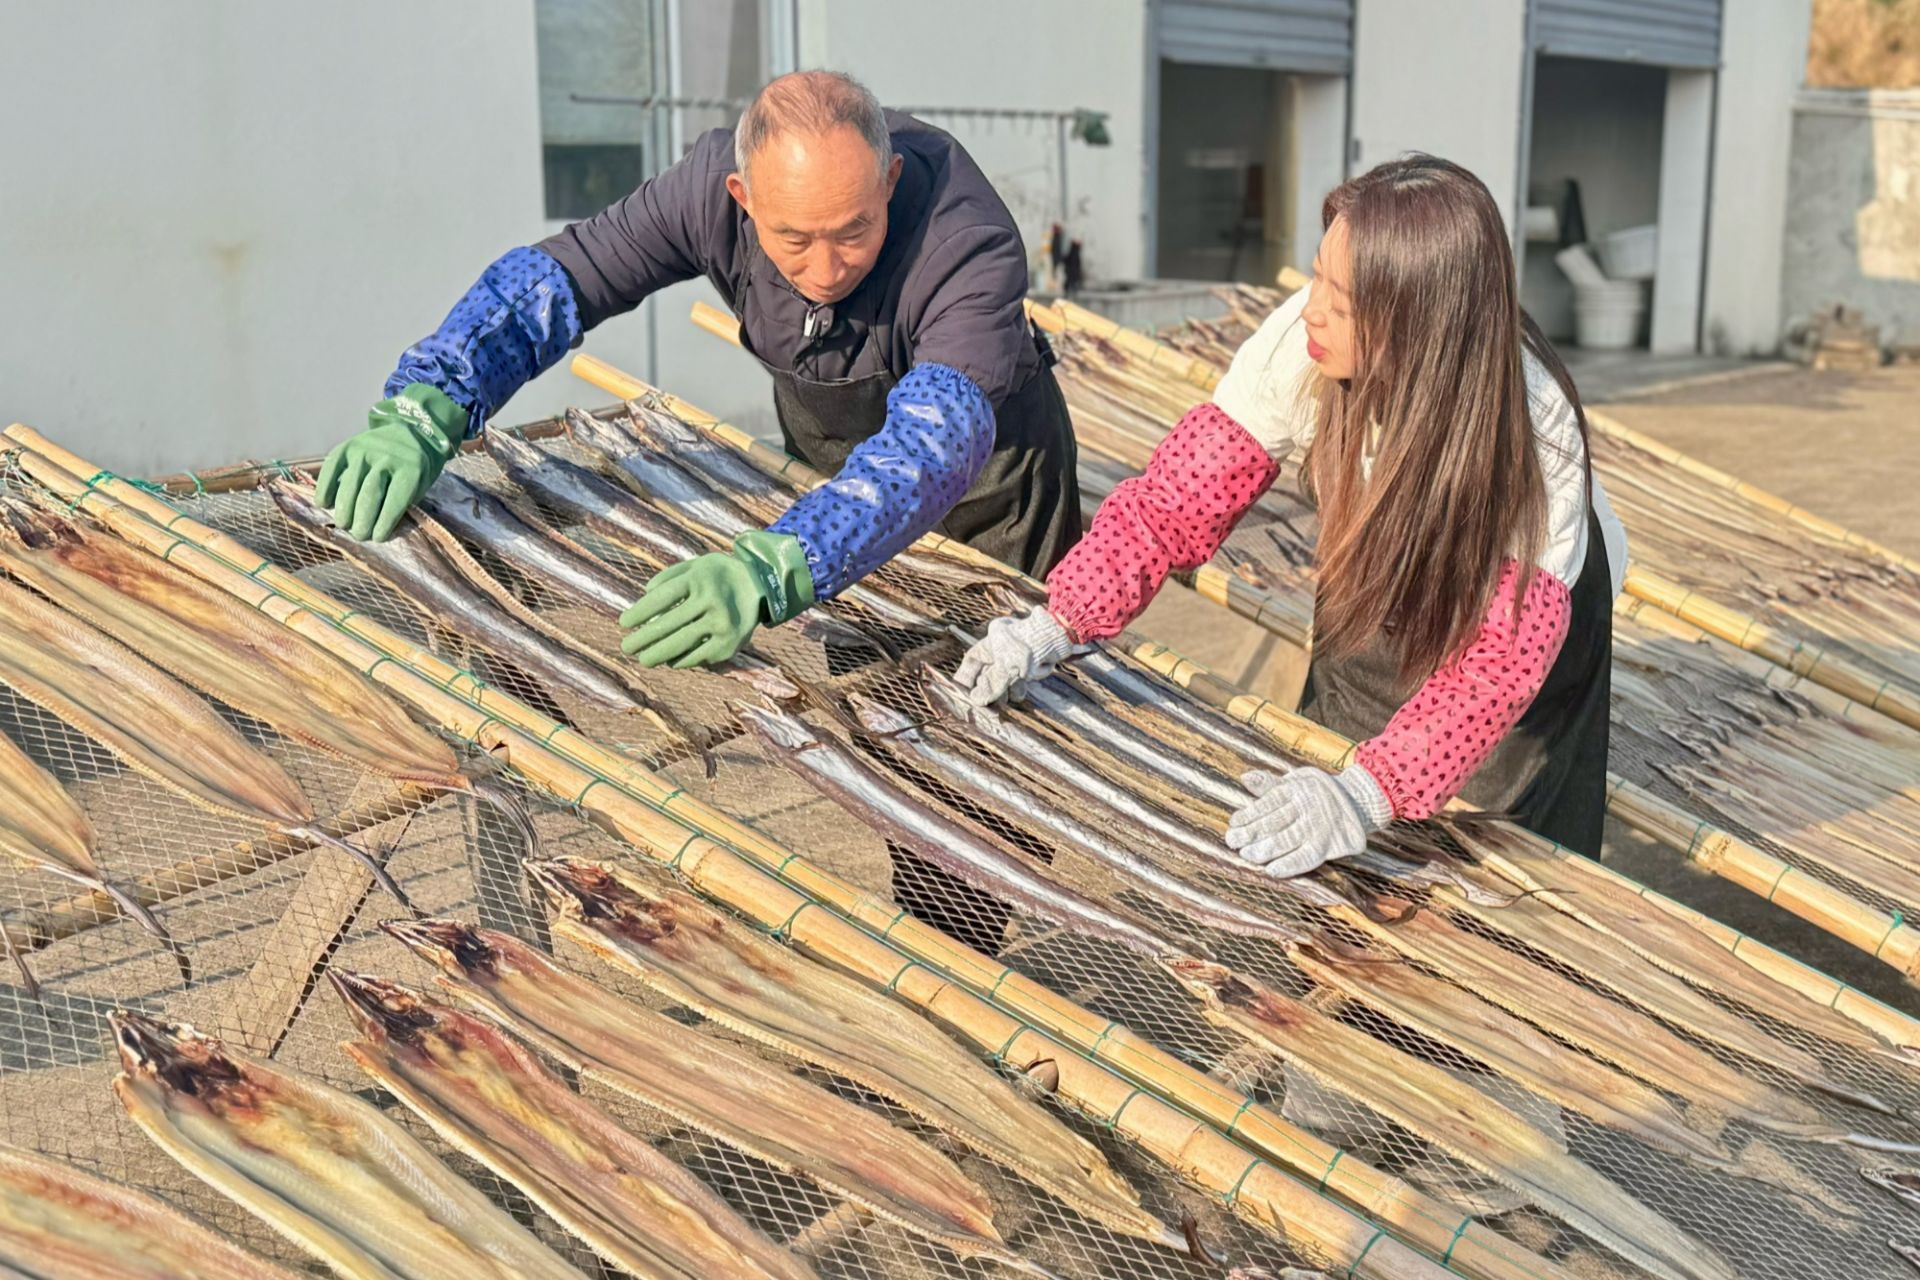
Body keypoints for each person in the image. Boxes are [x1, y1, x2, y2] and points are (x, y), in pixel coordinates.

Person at [956, 154, 1628, 874]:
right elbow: (1173, 504)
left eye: (1344, 300)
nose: (1312, 310)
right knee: (1329, 771)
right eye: (1317, 276)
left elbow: (1496, 667)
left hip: (1512, 611)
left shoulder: (1535, 433)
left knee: (1481, 851)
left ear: (1420, 327)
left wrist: (1369, 796)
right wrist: (1057, 622)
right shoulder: (1298, 346)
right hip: (1381, 554)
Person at [314, 69, 1079, 670]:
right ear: (742, 198)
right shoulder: (704, 191)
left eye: (854, 231)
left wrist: (776, 568)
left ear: (891, 182)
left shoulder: (965, 240)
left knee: (1002, 692)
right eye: (793, 239)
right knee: (877, 683)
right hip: (837, 466)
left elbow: (934, 443)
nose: (825, 270)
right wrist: (432, 401)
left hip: (988, 495)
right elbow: (561, 280)